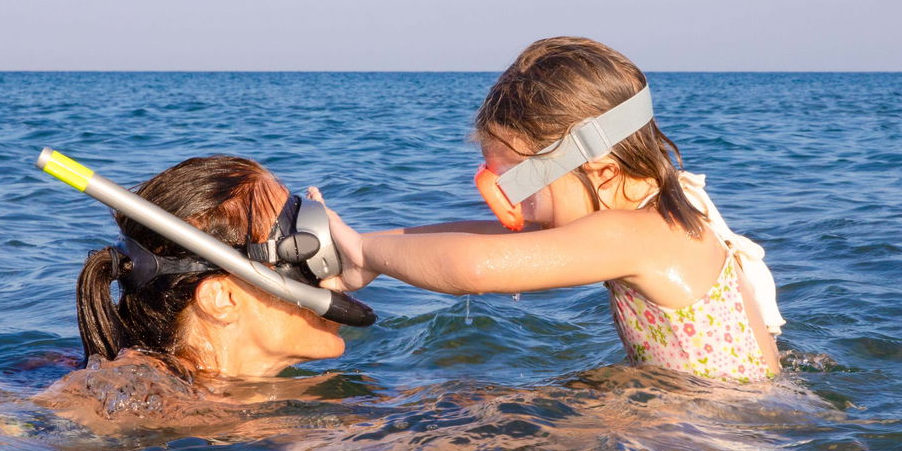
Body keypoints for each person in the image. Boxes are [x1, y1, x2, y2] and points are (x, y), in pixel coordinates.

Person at [325, 37, 786, 384]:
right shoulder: (659, 214)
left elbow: (475, 267)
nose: (517, 213)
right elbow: (493, 242)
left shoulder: (640, 235)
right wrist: (376, 251)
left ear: (601, 172)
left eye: (522, 189)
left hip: (724, 442)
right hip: (710, 419)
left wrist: (367, 250)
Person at [35, 155, 360, 435]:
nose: (328, 267)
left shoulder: (284, 398)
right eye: (299, 246)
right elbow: (10, 433)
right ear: (222, 298)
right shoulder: (135, 395)